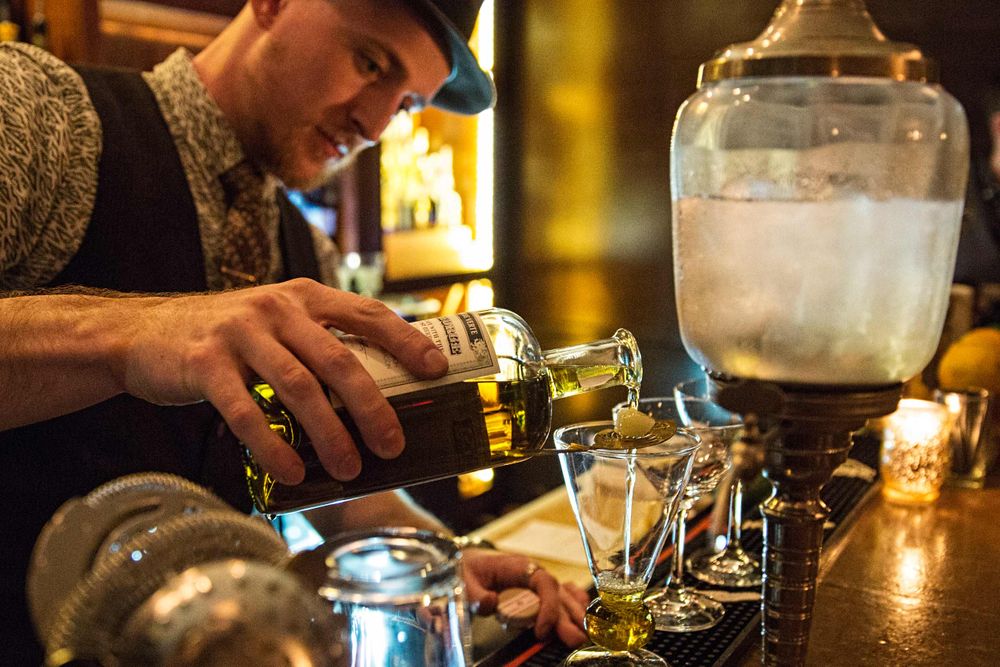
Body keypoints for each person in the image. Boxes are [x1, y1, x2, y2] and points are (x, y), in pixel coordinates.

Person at [0, 0, 588, 662]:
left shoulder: (311, 251)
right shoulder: (45, 114)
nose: (373, 123)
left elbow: (335, 483)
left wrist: (442, 556)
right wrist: (133, 335)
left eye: (403, 105)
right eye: (370, 62)